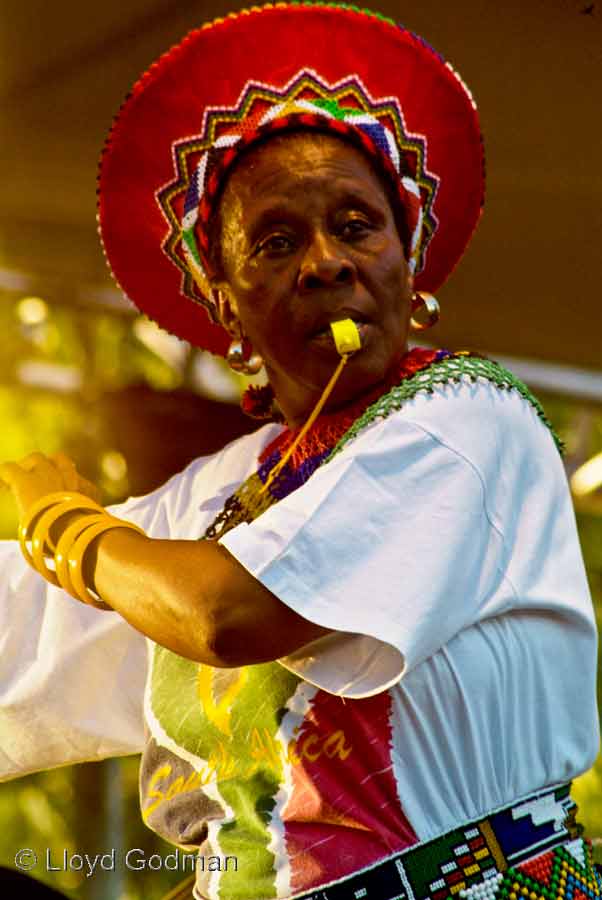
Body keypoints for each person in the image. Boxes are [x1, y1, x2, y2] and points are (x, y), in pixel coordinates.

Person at [0, 4, 599, 900]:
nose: (325, 261)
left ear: (409, 267)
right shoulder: (224, 491)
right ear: (227, 304)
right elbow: (35, 632)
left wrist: (65, 525)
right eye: (276, 243)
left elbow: (230, 615)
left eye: (357, 226)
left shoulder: (470, 421)